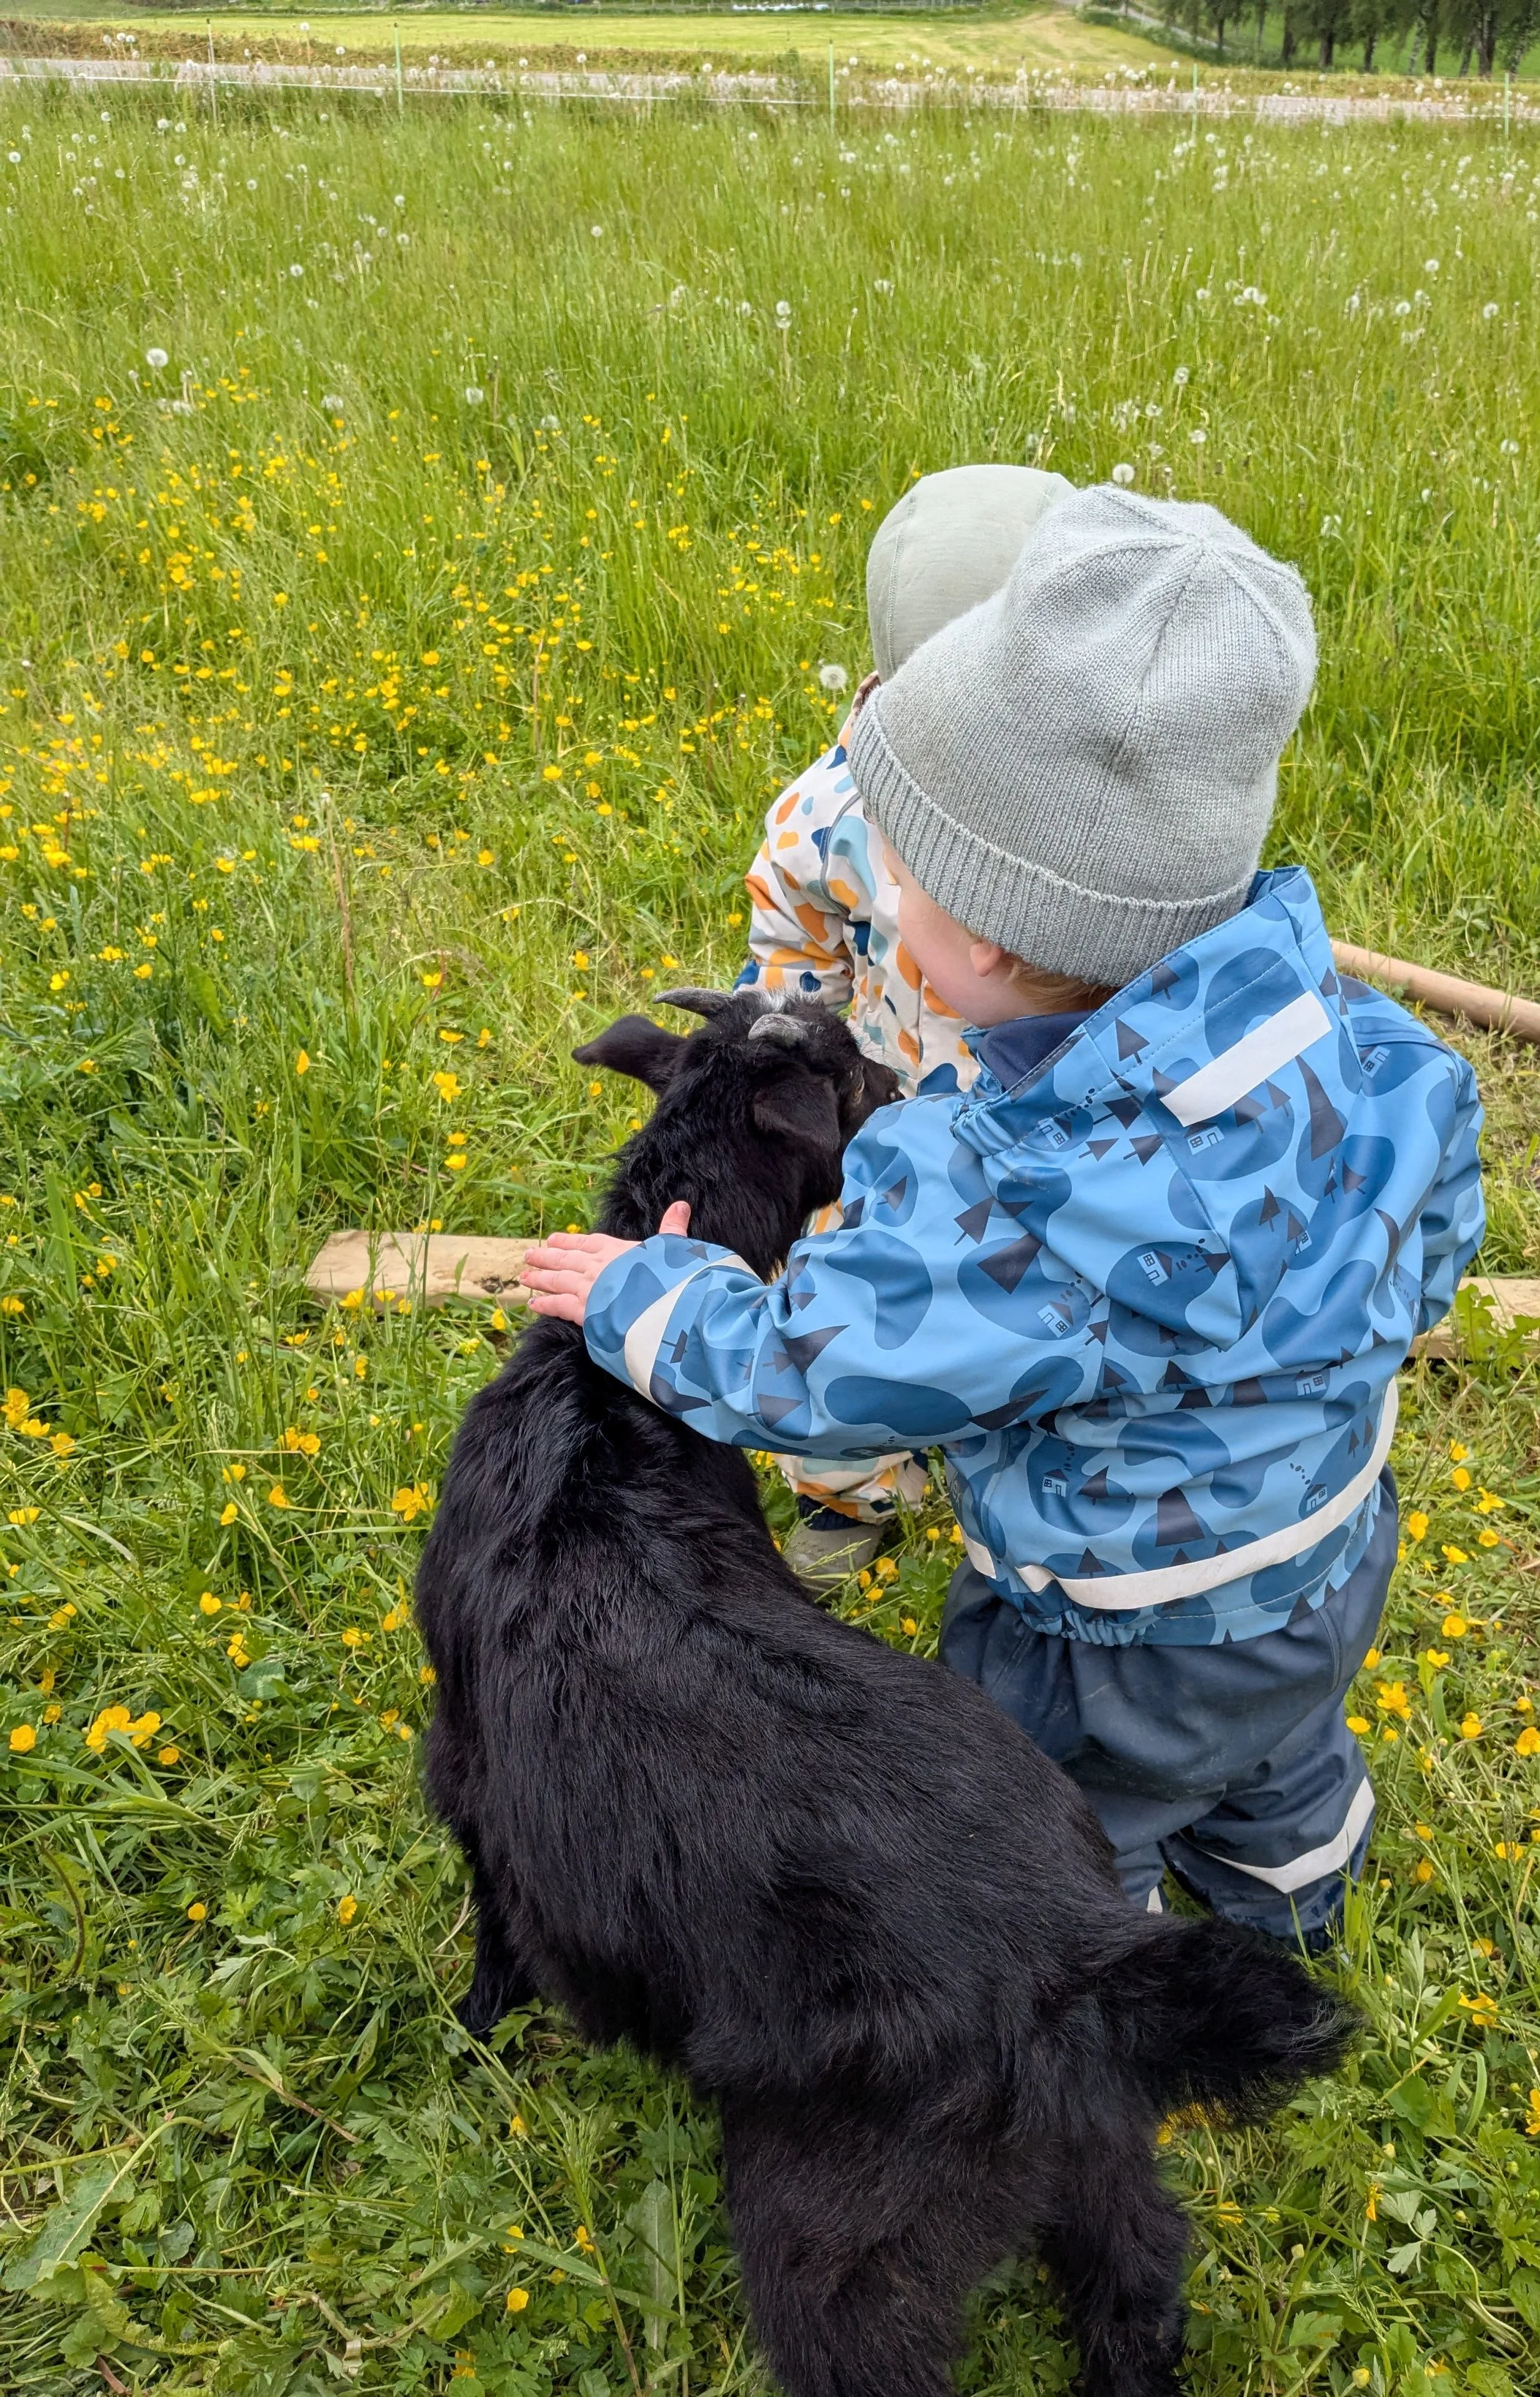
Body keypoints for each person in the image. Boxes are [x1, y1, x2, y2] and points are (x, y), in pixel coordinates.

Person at [525, 485, 1485, 1945]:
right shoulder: (1380, 1045)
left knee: (1044, 1827)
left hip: (1108, 1633)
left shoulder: (994, 1186)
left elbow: (820, 1379)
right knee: (1279, 1754)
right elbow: (1427, 1253)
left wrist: (644, 1302)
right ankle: (1288, 1907)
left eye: (893, 877)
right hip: (1327, 1555)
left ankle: (1094, 1981)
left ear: (974, 938)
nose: (874, 904)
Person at [739, 461, 1076, 1590]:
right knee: (843, 1286)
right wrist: (806, 1065)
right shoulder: (831, 813)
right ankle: (851, 1483)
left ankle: (1017, 1453)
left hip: (1053, 1109)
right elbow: (792, 955)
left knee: (1043, 1289)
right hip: (888, 1110)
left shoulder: (1092, 804)